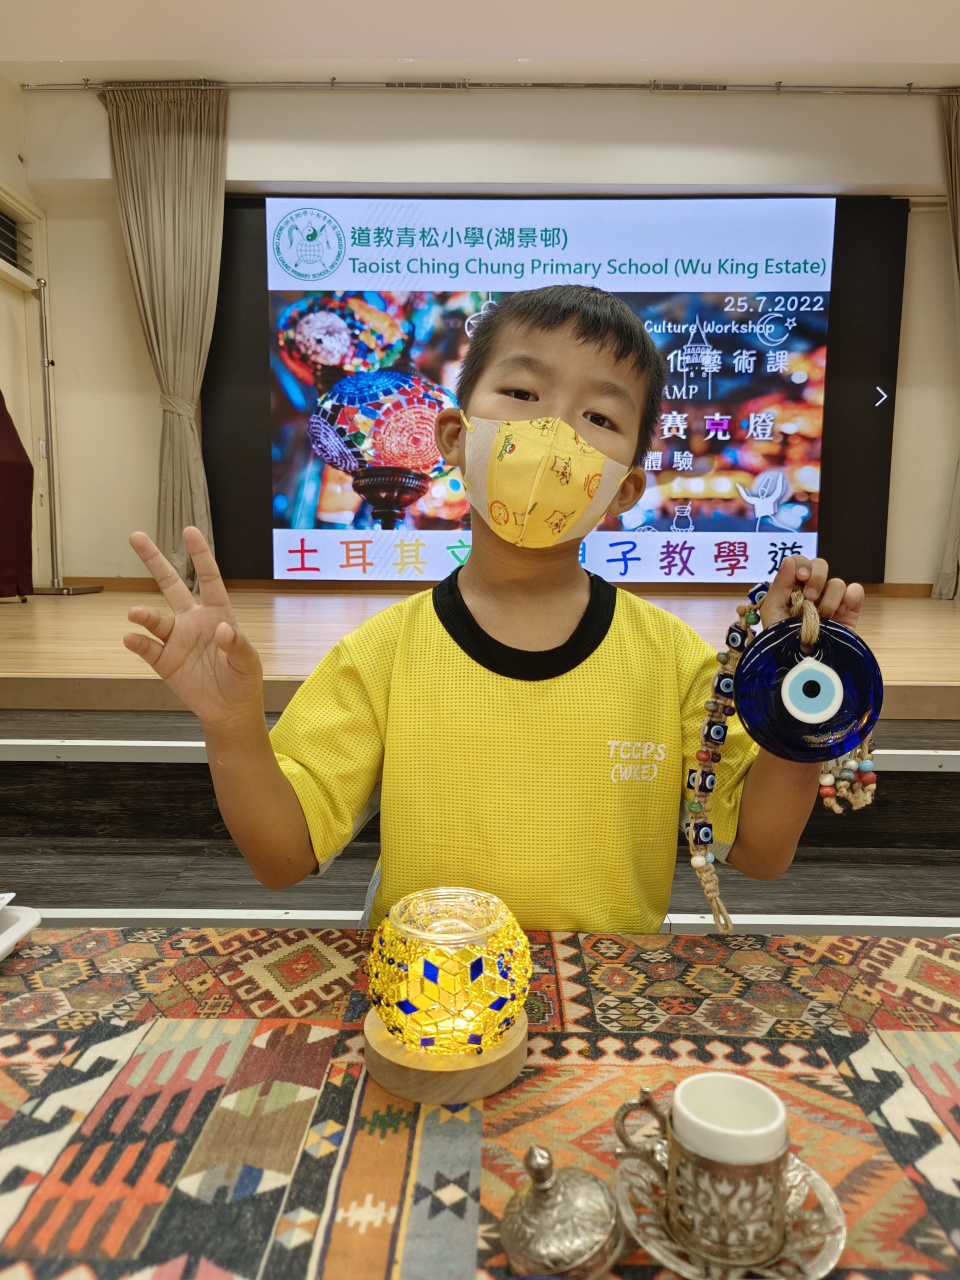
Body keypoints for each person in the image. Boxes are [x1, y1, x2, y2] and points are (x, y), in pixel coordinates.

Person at [124, 286, 864, 933]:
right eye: (522, 394)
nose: (554, 435)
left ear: (625, 490)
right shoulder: (382, 654)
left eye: (599, 416)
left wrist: (794, 697)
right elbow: (282, 856)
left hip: (606, 1006)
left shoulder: (673, 661)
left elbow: (760, 852)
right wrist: (232, 726)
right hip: (426, 999)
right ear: (454, 437)